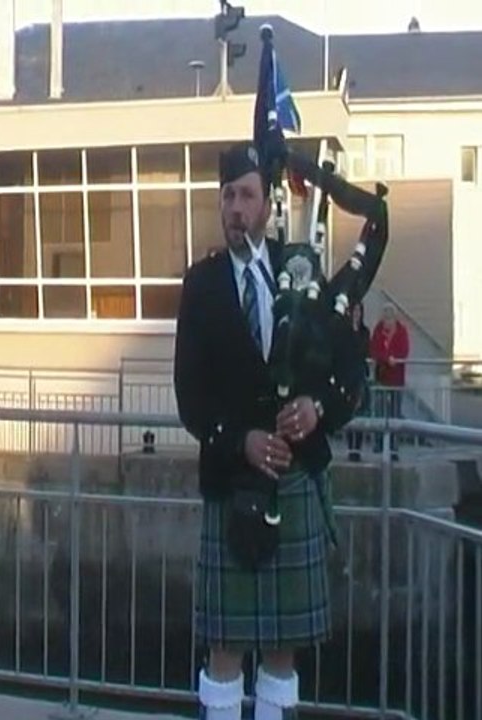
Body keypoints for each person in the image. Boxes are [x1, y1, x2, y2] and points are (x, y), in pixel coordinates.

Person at [173, 142, 364, 720]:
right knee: (224, 651)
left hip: (295, 479)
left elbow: (350, 369)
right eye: (227, 195)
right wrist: (241, 440)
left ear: (266, 204)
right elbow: (191, 398)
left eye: (246, 195)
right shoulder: (201, 284)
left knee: (282, 654)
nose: (235, 207)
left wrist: (317, 408)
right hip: (233, 483)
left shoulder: (299, 268)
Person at [370, 303, 409, 457]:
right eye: (385, 316)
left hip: (397, 379)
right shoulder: (378, 331)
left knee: (395, 412)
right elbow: (373, 350)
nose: (388, 319)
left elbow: (404, 350)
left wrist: (395, 359)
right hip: (381, 377)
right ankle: (379, 443)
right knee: (379, 412)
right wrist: (387, 359)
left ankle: (394, 447)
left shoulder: (401, 331)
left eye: (390, 316)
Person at [346, 301, 371, 461]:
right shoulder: (344, 330)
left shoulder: (364, 331)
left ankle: (358, 449)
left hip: (360, 374)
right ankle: (350, 449)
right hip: (347, 375)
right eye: (354, 310)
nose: (356, 313)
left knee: (360, 411)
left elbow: (362, 350)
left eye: (359, 310)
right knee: (349, 413)